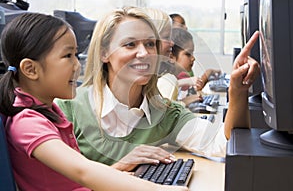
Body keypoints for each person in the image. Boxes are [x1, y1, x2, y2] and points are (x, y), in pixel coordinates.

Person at [55, 6, 260, 172]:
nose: (144, 53)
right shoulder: (68, 108)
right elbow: (55, 185)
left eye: (150, 44)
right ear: (104, 53)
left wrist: (238, 91)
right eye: (130, 44)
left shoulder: (165, 113)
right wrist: (119, 168)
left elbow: (223, 145)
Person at [0, 12, 188, 191]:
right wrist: (158, 188)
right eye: (68, 56)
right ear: (31, 70)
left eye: (76, 55)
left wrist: (120, 168)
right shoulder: (28, 124)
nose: (76, 65)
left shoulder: (49, 112)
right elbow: (82, 171)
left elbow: (72, 182)